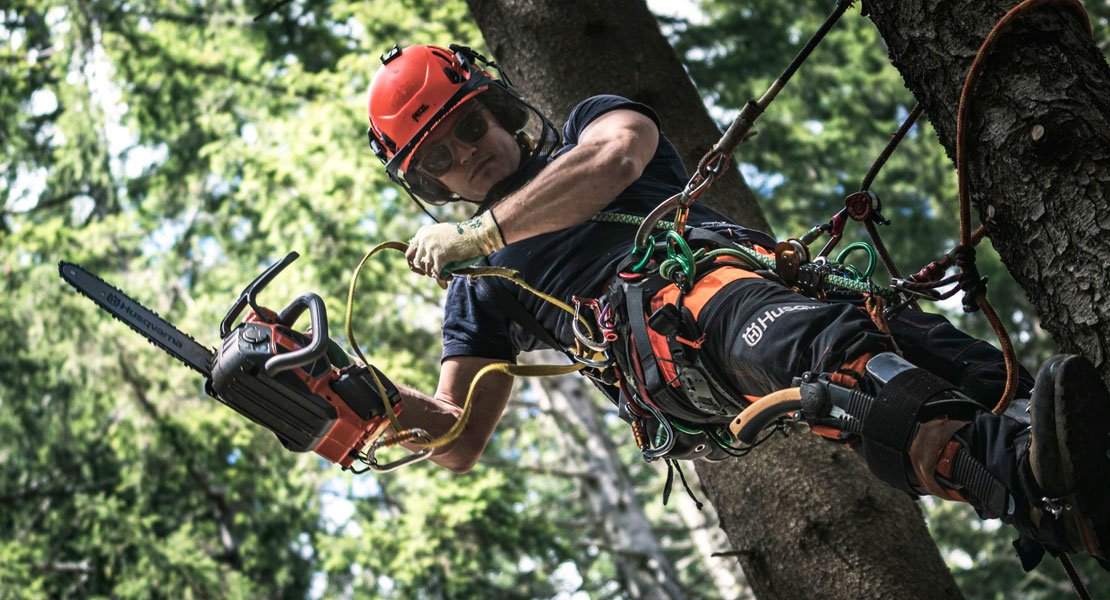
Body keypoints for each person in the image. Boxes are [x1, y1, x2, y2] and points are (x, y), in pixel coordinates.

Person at [364, 43, 1108, 571]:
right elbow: (458, 436)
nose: (468, 154)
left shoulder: (590, 127)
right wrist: (357, 399)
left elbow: (618, 158)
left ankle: (1084, 485)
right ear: (426, 182)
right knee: (829, 358)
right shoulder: (479, 281)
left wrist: (481, 232)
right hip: (672, 325)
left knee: (961, 361)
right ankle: (1021, 480)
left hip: (770, 277)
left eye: (467, 126)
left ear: (498, 107)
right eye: (438, 158)